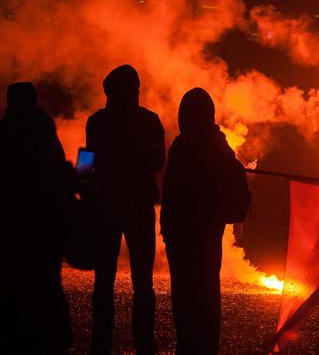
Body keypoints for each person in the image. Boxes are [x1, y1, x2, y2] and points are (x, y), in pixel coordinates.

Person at [0, 82, 72, 353]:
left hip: (4, 232)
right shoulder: (44, 133)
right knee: (45, 295)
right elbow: (59, 177)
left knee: (7, 297)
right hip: (41, 232)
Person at [161, 88, 251, 355]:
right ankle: (199, 344)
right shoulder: (217, 148)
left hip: (192, 232)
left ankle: (193, 343)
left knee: (191, 290)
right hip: (200, 232)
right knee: (202, 288)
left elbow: (170, 188)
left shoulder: (191, 147)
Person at [87, 65, 165, 355]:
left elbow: (87, 160)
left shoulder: (98, 122)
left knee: (104, 277)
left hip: (107, 205)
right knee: (142, 279)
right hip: (138, 204)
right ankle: (144, 340)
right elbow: (157, 161)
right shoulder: (149, 121)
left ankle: (101, 341)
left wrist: (85, 190)